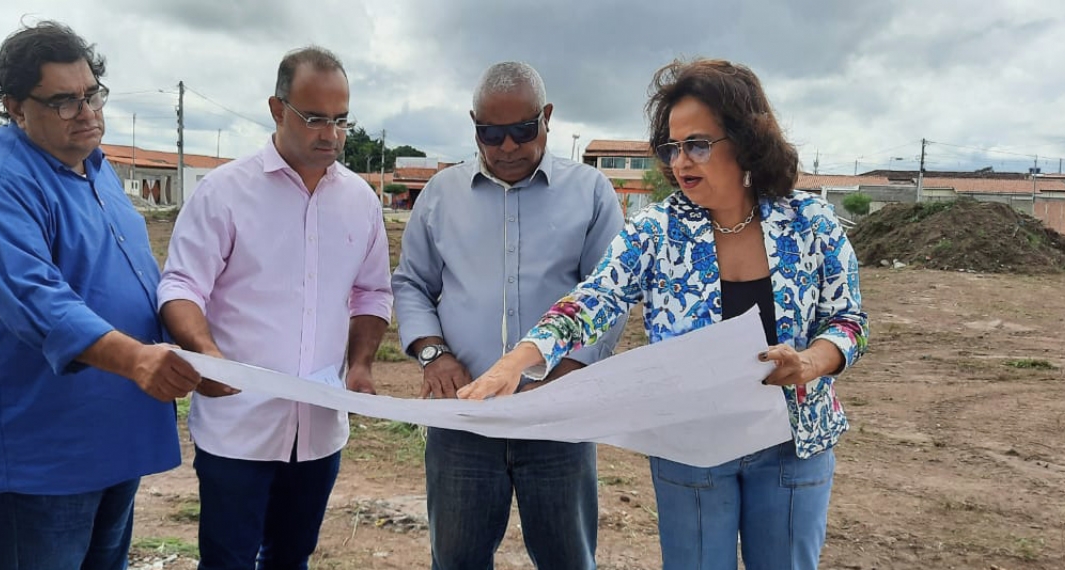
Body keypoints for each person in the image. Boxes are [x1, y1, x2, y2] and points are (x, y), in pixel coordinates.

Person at [460, 58, 870, 570]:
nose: (681, 162)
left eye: (697, 144)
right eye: (671, 147)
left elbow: (848, 321)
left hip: (793, 444)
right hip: (690, 446)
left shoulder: (811, 222)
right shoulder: (656, 230)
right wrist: (518, 360)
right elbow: (594, 299)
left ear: (746, 139)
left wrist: (810, 363)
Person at [0, 21, 199, 570]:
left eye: (92, 94)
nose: (87, 112)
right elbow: (37, 301)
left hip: (112, 436)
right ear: (14, 106)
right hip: (39, 455)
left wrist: (194, 346)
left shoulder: (94, 170)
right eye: (64, 101)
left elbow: (135, 278)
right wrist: (138, 359)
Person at [157, 46, 392, 570]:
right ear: (277, 109)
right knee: (228, 560)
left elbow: (372, 293)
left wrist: (360, 365)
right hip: (238, 424)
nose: (330, 134)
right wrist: (205, 353)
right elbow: (181, 286)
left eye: (341, 120)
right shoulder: (224, 192)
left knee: (292, 557)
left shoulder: (360, 200)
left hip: (319, 427)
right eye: (315, 118)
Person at [392, 61, 626, 570]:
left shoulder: (590, 193)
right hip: (463, 417)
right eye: (490, 134)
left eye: (522, 130)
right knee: (457, 560)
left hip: (558, 418)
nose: (507, 147)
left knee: (568, 559)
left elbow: (608, 295)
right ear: (474, 125)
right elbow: (411, 284)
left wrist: (566, 375)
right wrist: (433, 354)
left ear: (547, 117)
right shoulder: (439, 196)